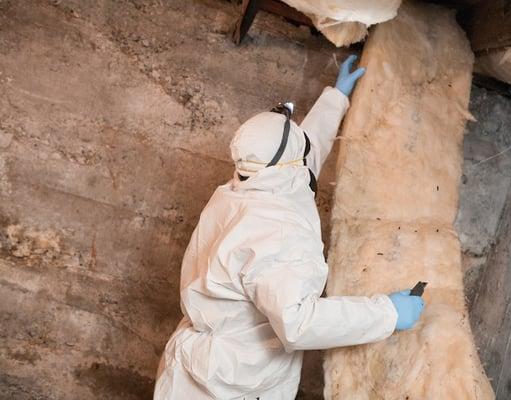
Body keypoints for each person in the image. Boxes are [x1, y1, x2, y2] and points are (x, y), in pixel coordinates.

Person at [154, 55, 425, 400]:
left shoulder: (243, 186)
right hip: (229, 383)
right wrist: (387, 312)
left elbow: (301, 160)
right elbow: (300, 323)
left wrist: (335, 98)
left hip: (199, 357)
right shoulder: (276, 233)